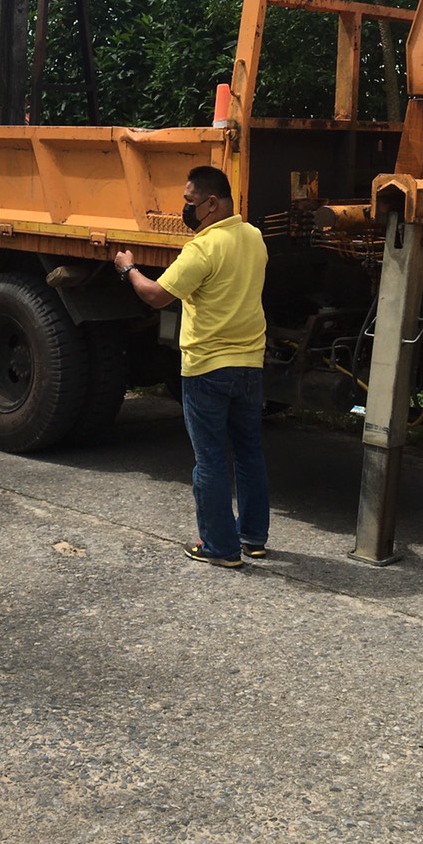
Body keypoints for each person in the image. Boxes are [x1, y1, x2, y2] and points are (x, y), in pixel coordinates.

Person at [113, 165, 269, 568]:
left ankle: (219, 546)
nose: (185, 210)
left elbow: (156, 295)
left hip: (206, 369)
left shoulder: (202, 249)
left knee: (211, 459)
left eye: (189, 203)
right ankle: (252, 538)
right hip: (250, 365)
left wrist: (128, 268)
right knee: (250, 453)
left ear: (211, 203)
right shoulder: (254, 238)